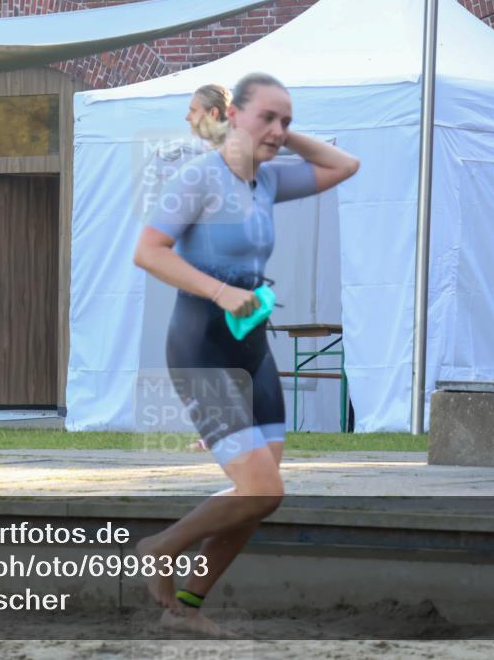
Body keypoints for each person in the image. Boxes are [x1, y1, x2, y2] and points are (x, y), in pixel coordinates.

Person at [133, 72, 360, 636]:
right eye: (269, 118)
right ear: (233, 113)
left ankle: (185, 605)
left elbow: (344, 166)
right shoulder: (198, 178)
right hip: (201, 344)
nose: (280, 131)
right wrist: (220, 290)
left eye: (287, 121)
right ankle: (159, 548)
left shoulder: (267, 182)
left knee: (259, 496)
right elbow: (147, 252)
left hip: (252, 347)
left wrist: (285, 138)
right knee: (262, 489)